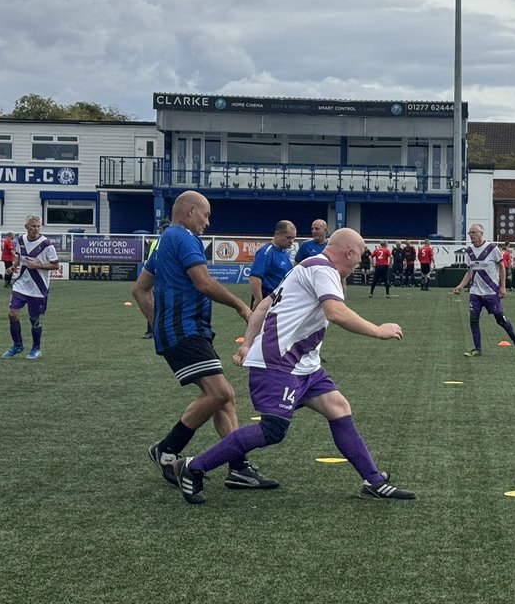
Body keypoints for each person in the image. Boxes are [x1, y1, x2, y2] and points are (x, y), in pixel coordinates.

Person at [170, 228, 415, 504]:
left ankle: (374, 481)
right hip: (280, 361)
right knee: (273, 430)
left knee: (339, 408)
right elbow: (334, 312)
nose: (360, 262)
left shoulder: (305, 267)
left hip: (303, 364)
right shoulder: (323, 269)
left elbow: (263, 305)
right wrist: (378, 330)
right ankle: (193, 467)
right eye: (359, 256)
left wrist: (248, 343)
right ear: (349, 253)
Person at [133, 190, 278, 491]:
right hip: (185, 330)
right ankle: (166, 449)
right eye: (206, 215)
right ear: (189, 211)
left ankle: (238, 467)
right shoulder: (184, 237)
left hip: (184, 329)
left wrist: (157, 323)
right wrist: (241, 305)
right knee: (219, 393)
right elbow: (204, 282)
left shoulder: (164, 241)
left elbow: (140, 289)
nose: (208, 222)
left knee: (225, 398)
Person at [453, 223, 515, 357]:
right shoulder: (469, 251)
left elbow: (502, 266)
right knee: (473, 319)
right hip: (475, 292)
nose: (471, 235)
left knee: (500, 320)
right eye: (470, 233)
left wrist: (502, 286)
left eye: (473, 232)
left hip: (491, 291)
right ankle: (477, 349)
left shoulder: (492, 248)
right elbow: (470, 271)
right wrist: (461, 285)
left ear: (481, 233)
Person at [2, 216, 60, 360]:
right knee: (12, 314)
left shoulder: (46, 244)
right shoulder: (20, 240)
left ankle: (36, 348)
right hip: (21, 284)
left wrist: (38, 265)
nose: (36, 229)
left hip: (38, 287)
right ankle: (17, 345)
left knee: (34, 318)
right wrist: (14, 266)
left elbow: (55, 265)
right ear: (26, 226)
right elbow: (20, 256)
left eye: (38, 226)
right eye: (33, 226)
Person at [249, 220, 296, 309]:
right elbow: (255, 277)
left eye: (293, 238)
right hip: (267, 301)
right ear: (277, 234)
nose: (291, 241)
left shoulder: (285, 253)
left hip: (280, 301)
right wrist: (258, 300)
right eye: (288, 237)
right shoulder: (266, 252)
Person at [142, 219, 170, 338]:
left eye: (168, 227)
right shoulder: (155, 243)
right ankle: (151, 330)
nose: (166, 230)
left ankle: (165, 330)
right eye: (165, 228)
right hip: (157, 277)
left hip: (169, 277)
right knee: (153, 303)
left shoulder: (172, 241)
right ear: (161, 229)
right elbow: (150, 262)